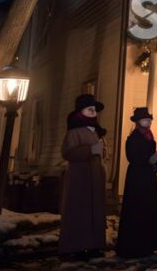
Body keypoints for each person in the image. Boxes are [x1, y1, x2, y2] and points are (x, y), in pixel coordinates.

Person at [59, 94, 108, 259]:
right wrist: (90, 150)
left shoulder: (96, 131)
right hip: (80, 177)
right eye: (90, 109)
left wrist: (102, 152)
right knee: (79, 211)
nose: (94, 112)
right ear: (81, 112)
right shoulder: (74, 132)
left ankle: (93, 245)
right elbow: (68, 152)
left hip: (95, 176)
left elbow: (100, 151)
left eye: (94, 109)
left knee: (94, 211)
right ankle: (76, 246)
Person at [115, 107, 157, 258]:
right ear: (138, 122)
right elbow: (133, 157)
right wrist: (147, 161)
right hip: (137, 178)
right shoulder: (133, 138)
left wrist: (156, 164)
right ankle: (134, 244)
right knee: (137, 208)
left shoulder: (150, 137)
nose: (148, 122)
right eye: (145, 119)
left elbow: (151, 156)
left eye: (149, 120)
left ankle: (148, 243)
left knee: (148, 208)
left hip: (148, 177)